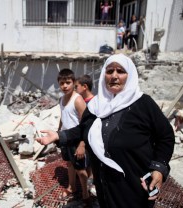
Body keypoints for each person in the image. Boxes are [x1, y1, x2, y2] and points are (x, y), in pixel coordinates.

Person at [36, 54, 175, 208]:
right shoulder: (96, 105)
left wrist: (159, 168)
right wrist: (58, 135)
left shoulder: (143, 104)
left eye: (120, 71)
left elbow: (166, 136)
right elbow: (83, 129)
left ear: (130, 75)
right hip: (104, 184)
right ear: (103, 75)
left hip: (133, 183)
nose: (114, 76)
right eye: (109, 71)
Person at [56, 68, 90, 203]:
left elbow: (86, 124)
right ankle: (72, 188)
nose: (64, 86)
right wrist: (58, 133)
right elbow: (63, 116)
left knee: (81, 171)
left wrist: (82, 144)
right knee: (70, 164)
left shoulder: (78, 100)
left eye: (68, 82)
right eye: (62, 83)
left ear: (74, 83)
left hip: (77, 140)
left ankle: (86, 196)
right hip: (65, 138)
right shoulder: (61, 99)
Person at [75, 74, 96, 196]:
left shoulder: (94, 103)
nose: (75, 89)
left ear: (84, 87)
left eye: (76, 86)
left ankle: (90, 187)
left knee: (90, 161)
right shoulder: (81, 101)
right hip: (83, 137)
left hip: (90, 139)